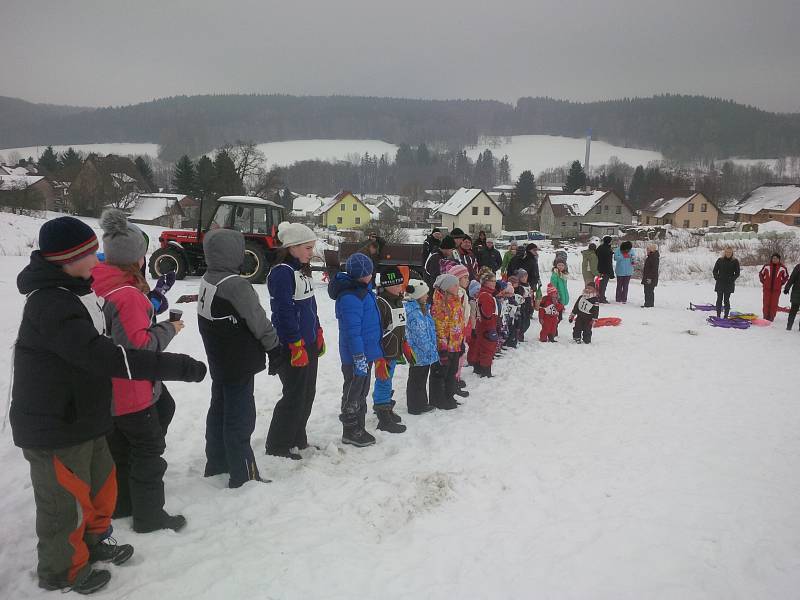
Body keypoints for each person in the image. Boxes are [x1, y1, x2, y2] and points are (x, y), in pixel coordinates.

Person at [11, 216, 206, 594]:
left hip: (86, 413)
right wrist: (175, 366)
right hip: (55, 423)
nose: (97, 259)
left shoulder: (80, 288)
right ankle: (61, 569)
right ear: (66, 259)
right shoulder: (51, 303)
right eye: (88, 253)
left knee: (101, 485)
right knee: (64, 503)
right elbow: (108, 357)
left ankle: (94, 542)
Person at [91, 210, 185, 533]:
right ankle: (149, 515)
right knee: (148, 450)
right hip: (132, 389)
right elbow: (140, 349)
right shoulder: (128, 296)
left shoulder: (100, 284)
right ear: (136, 259)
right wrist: (170, 329)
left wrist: (156, 295)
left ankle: (123, 503)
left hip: (108, 388)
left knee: (122, 445)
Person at [198, 229, 282, 488]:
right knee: (239, 418)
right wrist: (274, 348)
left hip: (220, 360)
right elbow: (257, 320)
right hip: (238, 361)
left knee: (219, 411)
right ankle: (244, 473)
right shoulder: (236, 285)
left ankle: (217, 462)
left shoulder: (208, 278)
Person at [266, 222, 322, 460]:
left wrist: (317, 330)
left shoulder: (302, 270)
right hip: (292, 345)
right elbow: (283, 311)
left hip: (308, 341)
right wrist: (295, 343)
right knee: (294, 394)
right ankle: (278, 444)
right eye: (308, 248)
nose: (312, 252)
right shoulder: (282, 273)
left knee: (307, 392)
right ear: (292, 247)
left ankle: (297, 437)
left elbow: (309, 304)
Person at [328, 253, 384, 447]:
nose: (372, 274)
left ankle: (359, 427)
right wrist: (359, 357)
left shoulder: (364, 291)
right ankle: (350, 430)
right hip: (355, 357)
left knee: (362, 392)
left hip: (365, 354)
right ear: (363, 274)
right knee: (353, 393)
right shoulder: (351, 297)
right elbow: (352, 332)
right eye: (369, 271)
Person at [373, 267, 410, 433]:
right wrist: (378, 356)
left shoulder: (398, 300)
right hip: (385, 352)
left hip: (395, 350)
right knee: (384, 382)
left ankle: (386, 406)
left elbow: (399, 326)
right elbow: (376, 331)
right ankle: (383, 416)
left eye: (400, 284)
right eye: (396, 285)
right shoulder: (381, 303)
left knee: (388, 380)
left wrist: (405, 344)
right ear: (387, 285)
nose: (399, 287)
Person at [403, 279, 439, 414]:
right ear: (418, 295)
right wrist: (429, 348)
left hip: (425, 352)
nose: (427, 296)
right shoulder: (413, 312)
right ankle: (415, 405)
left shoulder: (422, 309)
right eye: (425, 294)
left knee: (421, 378)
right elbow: (419, 334)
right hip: (418, 352)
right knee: (416, 379)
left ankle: (421, 402)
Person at [430, 273, 465, 409]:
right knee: (440, 374)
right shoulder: (439, 305)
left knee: (452, 373)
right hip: (445, 346)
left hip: (455, 344)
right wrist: (442, 348)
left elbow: (459, 324)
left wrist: (460, 342)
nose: (458, 287)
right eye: (455, 285)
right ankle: (438, 399)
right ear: (446, 287)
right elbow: (440, 328)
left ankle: (449, 396)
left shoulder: (456, 301)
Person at [446, 263, 472, 398]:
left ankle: (456, 379)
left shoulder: (463, 292)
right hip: (457, 330)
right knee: (458, 357)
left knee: (461, 356)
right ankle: (454, 381)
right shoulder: (458, 293)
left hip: (461, 328)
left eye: (468, 277)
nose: (467, 280)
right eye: (464, 278)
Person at [759, 253, 789, 321]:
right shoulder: (766, 266)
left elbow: (786, 276)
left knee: (774, 304)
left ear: (779, 259)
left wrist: (781, 283)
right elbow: (761, 274)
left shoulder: (783, 268)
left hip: (776, 290)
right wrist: (763, 281)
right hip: (767, 289)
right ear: (771, 259)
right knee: (766, 303)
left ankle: (771, 317)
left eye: (776, 258)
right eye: (773, 258)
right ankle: (765, 316)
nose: (775, 260)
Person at [712, 247, 741, 319]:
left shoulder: (735, 261)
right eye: (727, 252)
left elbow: (737, 273)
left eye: (730, 252)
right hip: (720, 283)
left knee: (726, 300)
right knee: (719, 299)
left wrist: (732, 279)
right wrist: (717, 278)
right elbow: (715, 271)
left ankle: (725, 316)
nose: (728, 253)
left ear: (732, 253)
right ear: (724, 252)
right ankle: (718, 315)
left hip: (729, 284)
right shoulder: (720, 260)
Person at [513, 269, 534, 342]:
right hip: (522, 307)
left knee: (527, 323)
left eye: (525, 276)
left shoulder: (528, 285)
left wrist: (531, 306)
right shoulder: (519, 287)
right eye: (522, 277)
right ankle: (519, 335)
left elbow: (531, 297)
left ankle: (521, 334)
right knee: (521, 322)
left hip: (528, 306)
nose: (524, 278)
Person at [596, 236, 615, 303]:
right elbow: (609, 263)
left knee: (599, 284)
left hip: (599, 269)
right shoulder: (608, 250)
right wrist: (611, 273)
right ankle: (601, 298)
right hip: (606, 270)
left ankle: (599, 296)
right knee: (603, 285)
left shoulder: (600, 248)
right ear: (609, 241)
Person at [641, 243, 660, 308]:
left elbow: (654, 269)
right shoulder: (651, 257)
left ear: (651, 250)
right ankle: (648, 303)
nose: (647, 251)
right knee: (647, 291)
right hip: (648, 277)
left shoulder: (653, 257)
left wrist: (650, 278)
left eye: (648, 249)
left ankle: (649, 304)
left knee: (649, 291)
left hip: (650, 278)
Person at [784, 262, 800, 331]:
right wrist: (787, 288)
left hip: (796, 292)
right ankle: (789, 327)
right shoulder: (798, 267)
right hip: (796, 292)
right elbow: (792, 278)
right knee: (793, 310)